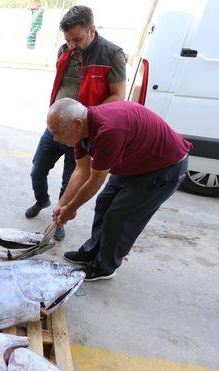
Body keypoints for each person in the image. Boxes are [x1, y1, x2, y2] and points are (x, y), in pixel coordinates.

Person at [49, 98, 191, 281]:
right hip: (134, 161)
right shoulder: (81, 128)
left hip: (163, 167)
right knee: (103, 203)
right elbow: (81, 171)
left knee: (119, 217)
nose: (55, 138)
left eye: (57, 132)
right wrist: (62, 205)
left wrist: (71, 209)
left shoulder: (109, 130)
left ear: (76, 124)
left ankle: (105, 267)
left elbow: (95, 180)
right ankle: (92, 252)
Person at [26, 5, 126, 242]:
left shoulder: (112, 54)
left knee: (71, 178)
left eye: (77, 39)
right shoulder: (65, 49)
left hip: (81, 129)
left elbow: (118, 96)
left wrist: (84, 120)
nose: (72, 45)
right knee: (37, 170)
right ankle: (42, 200)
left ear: (92, 30)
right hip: (58, 124)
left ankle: (58, 220)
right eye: (68, 40)